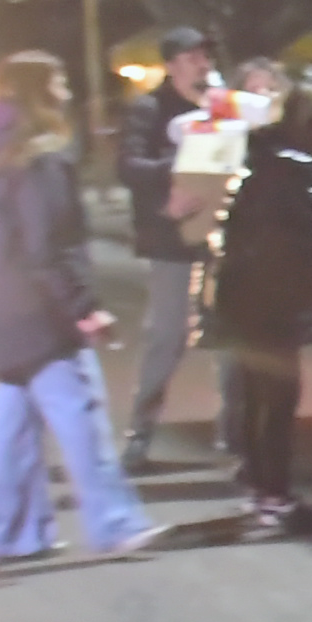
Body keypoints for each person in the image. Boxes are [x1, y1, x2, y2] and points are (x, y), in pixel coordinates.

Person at [0, 51, 155, 563]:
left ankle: (14, 533)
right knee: (80, 414)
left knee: (12, 425)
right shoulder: (40, 157)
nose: (67, 93)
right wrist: (83, 306)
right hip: (41, 310)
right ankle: (115, 523)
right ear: (39, 94)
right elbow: (48, 244)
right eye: (59, 83)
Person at [208, 83, 312, 534]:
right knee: (276, 399)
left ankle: (260, 486)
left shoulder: (260, 158)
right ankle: (273, 493)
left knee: (257, 395)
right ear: (311, 122)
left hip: (244, 296)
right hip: (269, 298)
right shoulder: (295, 166)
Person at [116, 27, 217, 471]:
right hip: (171, 238)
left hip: (220, 235)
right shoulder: (149, 109)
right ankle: (140, 433)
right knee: (168, 335)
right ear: (172, 64)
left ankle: (237, 435)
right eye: (193, 57)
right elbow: (129, 166)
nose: (203, 65)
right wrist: (172, 177)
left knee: (232, 335)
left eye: (206, 57)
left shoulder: (218, 105)